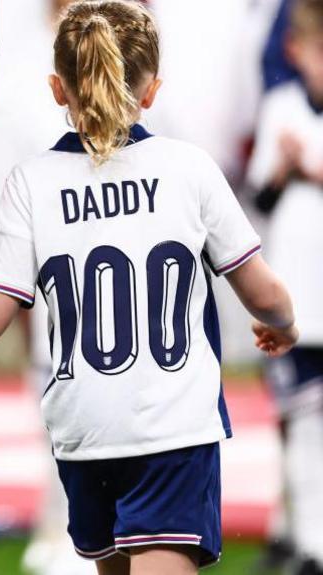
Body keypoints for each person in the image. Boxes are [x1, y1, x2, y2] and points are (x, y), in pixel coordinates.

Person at [0, 2, 298, 573]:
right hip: (170, 432)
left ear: (59, 88)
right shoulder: (188, 168)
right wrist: (286, 324)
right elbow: (265, 295)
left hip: (85, 437)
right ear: (151, 90)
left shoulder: (32, 182)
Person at [248, 1, 323, 572]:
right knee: (300, 422)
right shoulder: (281, 107)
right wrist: (285, 168)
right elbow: (262, 196)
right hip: (300, 291)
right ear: (297, 53)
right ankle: (308, 542)